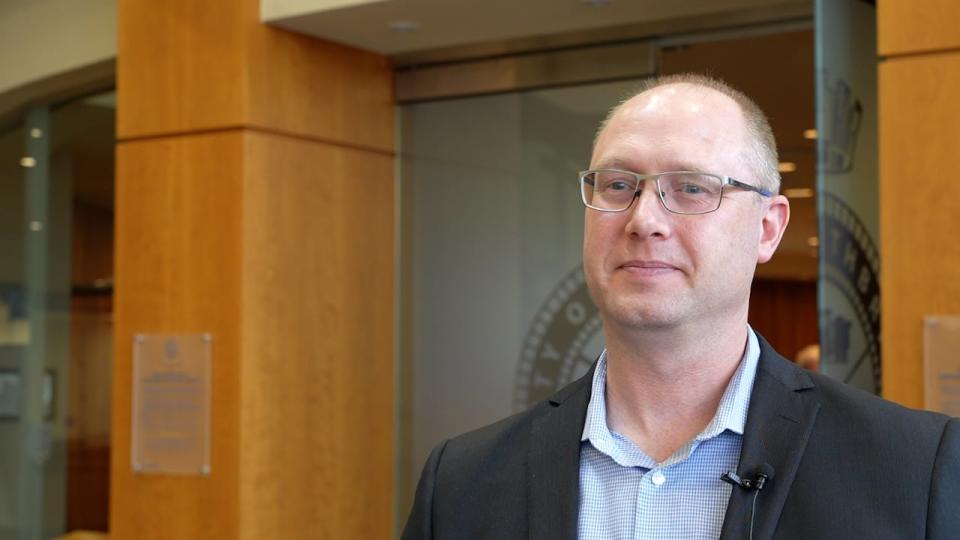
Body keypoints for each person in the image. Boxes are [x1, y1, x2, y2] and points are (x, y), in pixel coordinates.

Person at [402, 74, 959, 539]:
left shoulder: (916, 469)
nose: (644, 219)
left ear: (768, 229)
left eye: (692, 188)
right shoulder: (461, 483)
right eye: (619, 185)